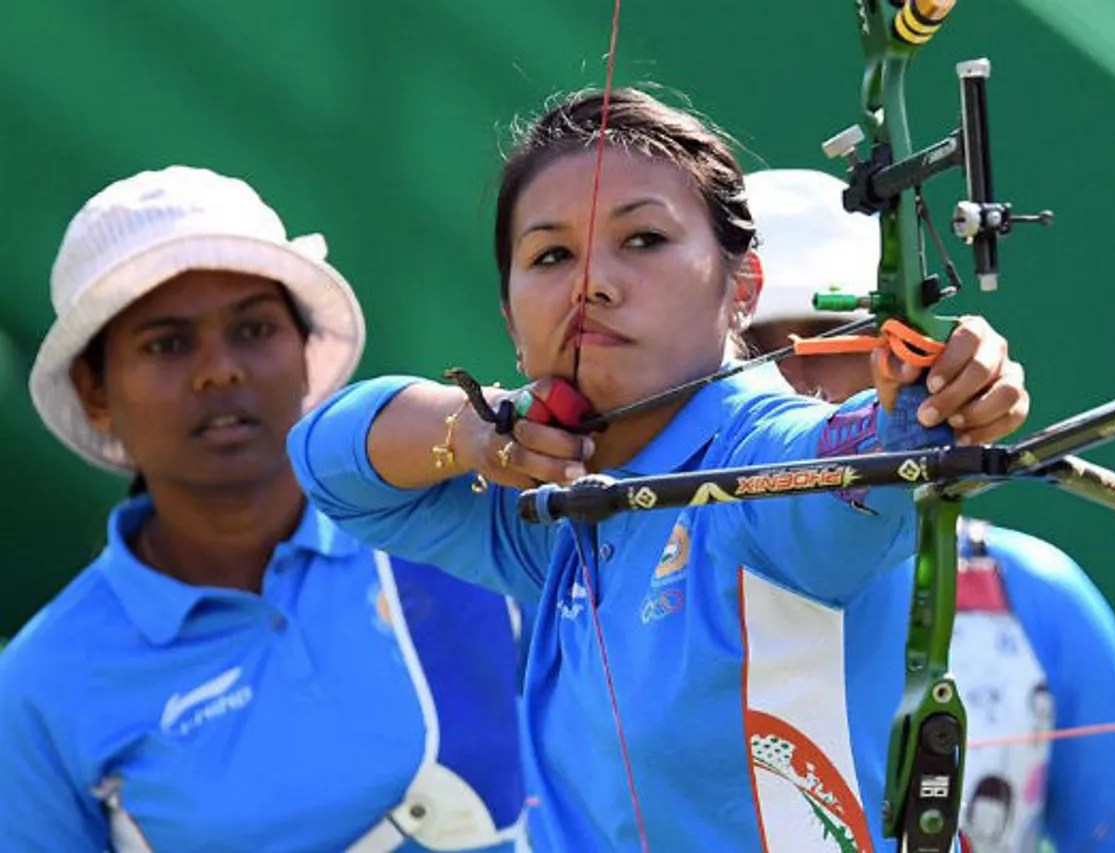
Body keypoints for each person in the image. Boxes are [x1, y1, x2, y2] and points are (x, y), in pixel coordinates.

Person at [287, 87, 1033, 852]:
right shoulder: (549, 512)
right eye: (550, 255)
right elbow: (326, 460)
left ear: (742, 286)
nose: (591, 283)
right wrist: (474, 430)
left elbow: (857, 458)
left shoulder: (757, 461)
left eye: (641, 239)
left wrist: (936, 404)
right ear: (512, 323)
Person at [0, 166, 528, 852]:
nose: (220, 369)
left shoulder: (459, 523)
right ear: (95, 391)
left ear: (307, 355)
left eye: (253, 329)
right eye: (166, 342)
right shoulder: (41, 686)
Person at [741, 167, 1115, 853]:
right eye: (755, 356)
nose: (798, 387)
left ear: (899, 356)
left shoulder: (1028, 597)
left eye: (827, 341)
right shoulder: (616, 583)